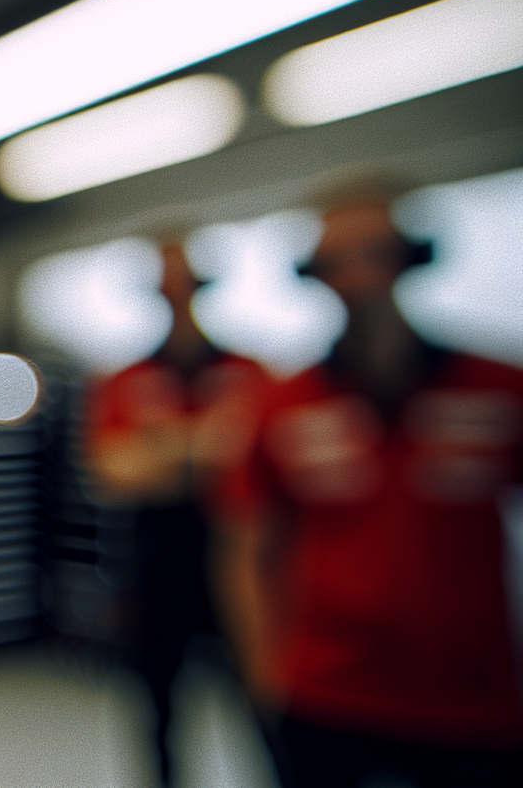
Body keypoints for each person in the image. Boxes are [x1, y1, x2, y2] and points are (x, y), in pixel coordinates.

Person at [214, 187, 523, 788]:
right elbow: (246, 546)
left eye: (375, 252)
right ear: (315, 276)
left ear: (412, 257)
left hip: (473, 699)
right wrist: (263, 676)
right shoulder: (284, 403)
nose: (360, 277)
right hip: (326, 691)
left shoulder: (498, 388)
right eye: (339, 260)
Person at [85, 242, 270, 787]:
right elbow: (112, 472)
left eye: (182, 276)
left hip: (241, 555)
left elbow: (259, 457)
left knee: (263, 700)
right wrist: (208, 445)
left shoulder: (248, 369)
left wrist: (160, 445)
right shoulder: (125, 378)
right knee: (159, 711)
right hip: (156, 562)